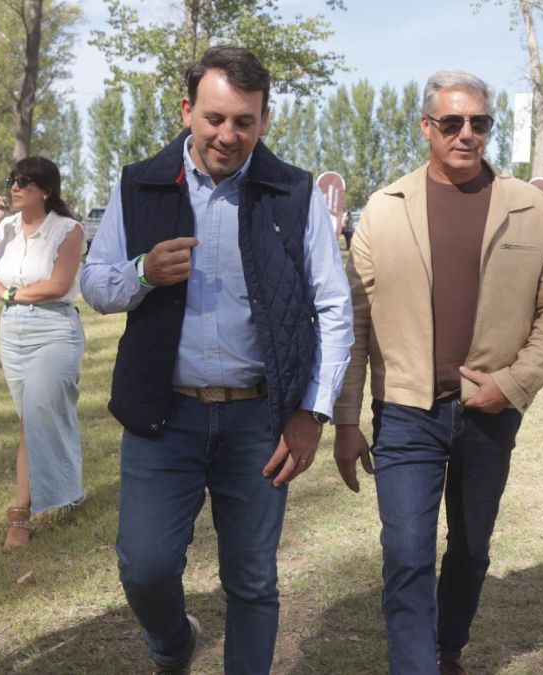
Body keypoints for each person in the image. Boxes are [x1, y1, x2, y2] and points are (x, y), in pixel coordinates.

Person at [80, 46, 352, 674]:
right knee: (144, 568)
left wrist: (311, 412)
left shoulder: (294, 192)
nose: (228, 135)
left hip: (259, 421)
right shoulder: (138, 183)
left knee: (253, 581)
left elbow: (335, 307)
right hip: (163, 415)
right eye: (214, 118)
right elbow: (94, 284)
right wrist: (142, 272)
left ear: (264, 120)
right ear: (187, 110)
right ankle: (174, 645)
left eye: (244, 121)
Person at [333, 69, 543, 675]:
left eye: (479, 122)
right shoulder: (384, 211)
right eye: (452, 122)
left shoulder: (530, 208)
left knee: (470, 550)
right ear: (427, 127)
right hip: (405, 413)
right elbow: (355, 324)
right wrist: (346, 420)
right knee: (406, 555)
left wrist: (512, 385)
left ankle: (447, 650)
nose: (467, 133)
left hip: (489, 411)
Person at [0, 156, 85, 551]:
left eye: (25, 182)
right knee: (35, 417)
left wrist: (10, 294)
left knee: (35, 414)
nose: (15, 187)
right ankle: (69, 489)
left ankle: (19, 517)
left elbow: (58, 285)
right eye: (13, 180)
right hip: (13, 333)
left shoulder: (68, 230)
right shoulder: (6, 228)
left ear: (46, 190)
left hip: (54, 329)